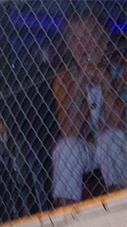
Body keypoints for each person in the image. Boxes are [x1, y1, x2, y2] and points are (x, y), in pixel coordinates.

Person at [52, 13, 127, 207]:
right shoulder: (64, 79)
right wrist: (78, 86)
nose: (81, 45)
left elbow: (119, 124)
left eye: (87, 36)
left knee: (109, 139)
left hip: (121, 142)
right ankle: (64, 216)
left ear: (103, 40)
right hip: (90, 146)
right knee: (65, 147)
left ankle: (118, 205)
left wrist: (105, 81)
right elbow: (68, 131)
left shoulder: (123, 69)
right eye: (75, 39)